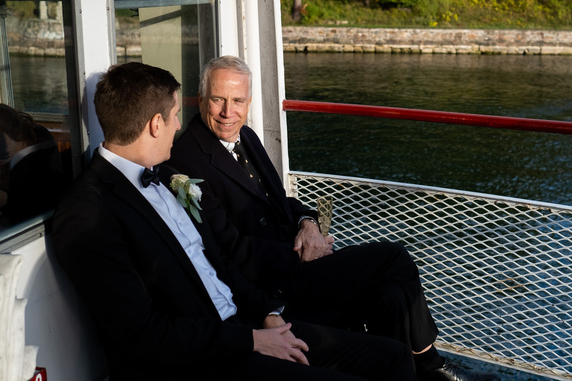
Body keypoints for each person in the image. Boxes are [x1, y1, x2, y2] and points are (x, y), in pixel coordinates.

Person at [52, 62, 416, 381]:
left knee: (393, 357)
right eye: (175, 115)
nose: (179, 125)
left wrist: (266, 313)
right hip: (201, 361)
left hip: (245, 323)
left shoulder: (164, 177)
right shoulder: (87, 213)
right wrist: (252, 340)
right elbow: (144, 334)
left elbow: (219, 262)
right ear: (155, 124)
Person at [170, 55, 499, 381]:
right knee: (394, 257)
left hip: (297, 263)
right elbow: (229, 248)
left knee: (392, 294)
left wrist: (308, 224)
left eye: (238, 101)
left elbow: (281, 202)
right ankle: (430, 365)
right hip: (275, 279)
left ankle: (412, 373)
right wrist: (301, 253)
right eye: (219, 99)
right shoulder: (186, 160)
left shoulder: (247, 137)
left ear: (249, 101)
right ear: (202, 98)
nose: (228, 112)